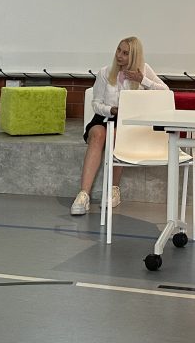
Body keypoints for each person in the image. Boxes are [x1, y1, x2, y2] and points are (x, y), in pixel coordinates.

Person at [70, 36, 168, 216]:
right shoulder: (105, 73)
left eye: (125, 53)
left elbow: (166, 93)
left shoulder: (144, 70)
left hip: (127, 122)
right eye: (118, 50)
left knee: (115, 135)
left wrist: (143, 80)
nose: (119, 56)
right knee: (99, 134)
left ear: (134, 56)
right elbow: (96, 103)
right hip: (105, 116)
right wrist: (111, 110)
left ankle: (113, 190)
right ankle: (83, 195)